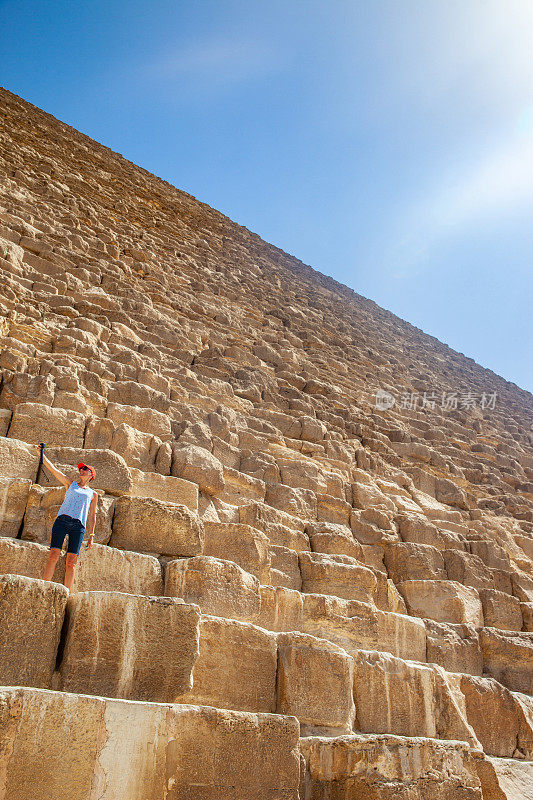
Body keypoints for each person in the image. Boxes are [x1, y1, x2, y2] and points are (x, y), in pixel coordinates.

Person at [35, 446, 98, 591]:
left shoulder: (93, 494)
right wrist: (42, 454)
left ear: (91, 475)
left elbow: (92, 515)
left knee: (72, 561)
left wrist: (92, 535)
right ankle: (44, 587)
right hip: (62, 521)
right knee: (54, 554)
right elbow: (54, 470)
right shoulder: (71, 483)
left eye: (85, 469)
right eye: (81, 469)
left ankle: (66, 593)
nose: (81, 471)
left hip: (78, 526)